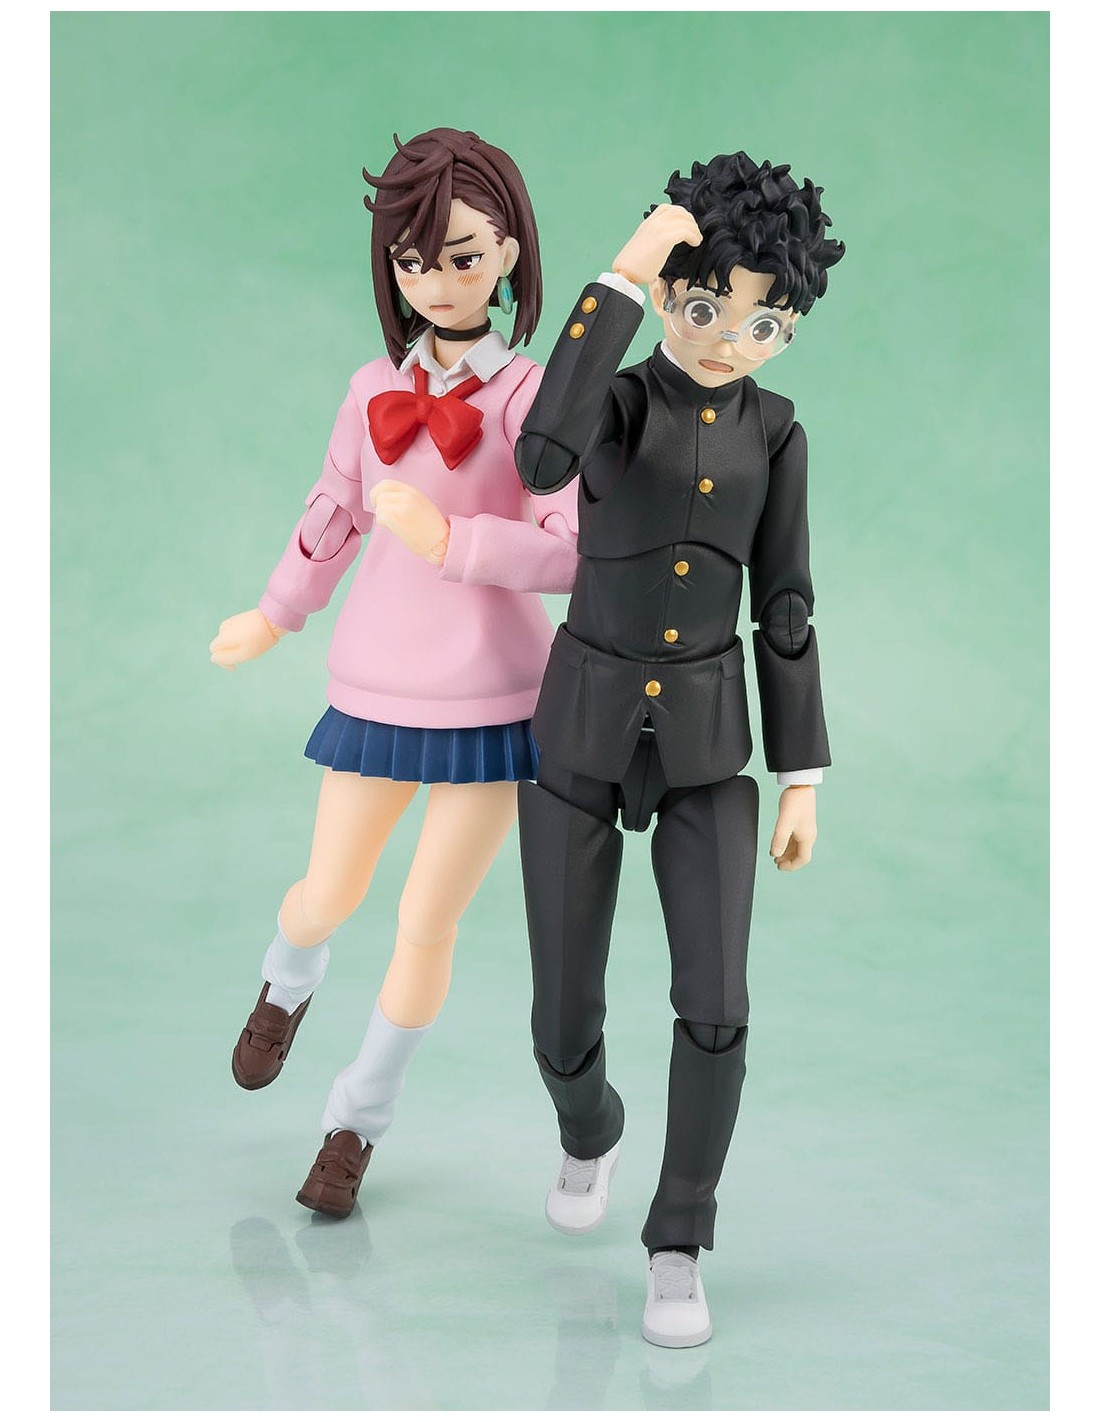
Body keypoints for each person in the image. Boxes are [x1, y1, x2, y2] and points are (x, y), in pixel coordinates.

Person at [210, 128, 577, 1218]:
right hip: (376, 680)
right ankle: (288, 977)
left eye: (461, 257)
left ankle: (356, 1120)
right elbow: (332, 510)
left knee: (427, 920)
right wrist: (276, 611)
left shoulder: (536, 397)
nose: (435, 281)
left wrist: (456, 542)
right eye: (412, 261)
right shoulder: (372, 386)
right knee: (329, 890)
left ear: (507, 253)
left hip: (498, 696)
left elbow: (571, 547)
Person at [514, 151, 845, 1347]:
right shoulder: (613, 403)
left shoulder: (779, 431)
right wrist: (621, 271)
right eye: (704, 307)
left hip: (708, 745)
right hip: (580, 727)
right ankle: (586, 1125)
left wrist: (800, 774)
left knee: (714, 1003)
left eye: (762, 323)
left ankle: (677, 1237)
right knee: (561, 1012)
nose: (726, 341)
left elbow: (784, 605)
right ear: (667, 295)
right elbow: (538, 457)